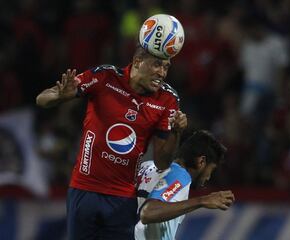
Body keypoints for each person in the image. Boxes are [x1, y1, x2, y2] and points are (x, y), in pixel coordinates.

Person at [36, 43, 187, 240]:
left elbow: (162, 163)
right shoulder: (105, 77)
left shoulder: (167, 99)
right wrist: (58, 96)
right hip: (84, 189)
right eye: (157, 65)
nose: (162, 73)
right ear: (137, 61)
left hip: (123, 198)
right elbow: (41, 99)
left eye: (166, 67)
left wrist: (176, 133)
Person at [135, 130, 235, 240]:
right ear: (201, 161)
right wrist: (202, 201)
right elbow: (148, 212)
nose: (208, 177)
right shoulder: (180, 175)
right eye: (211, 169)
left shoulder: (146, 166)